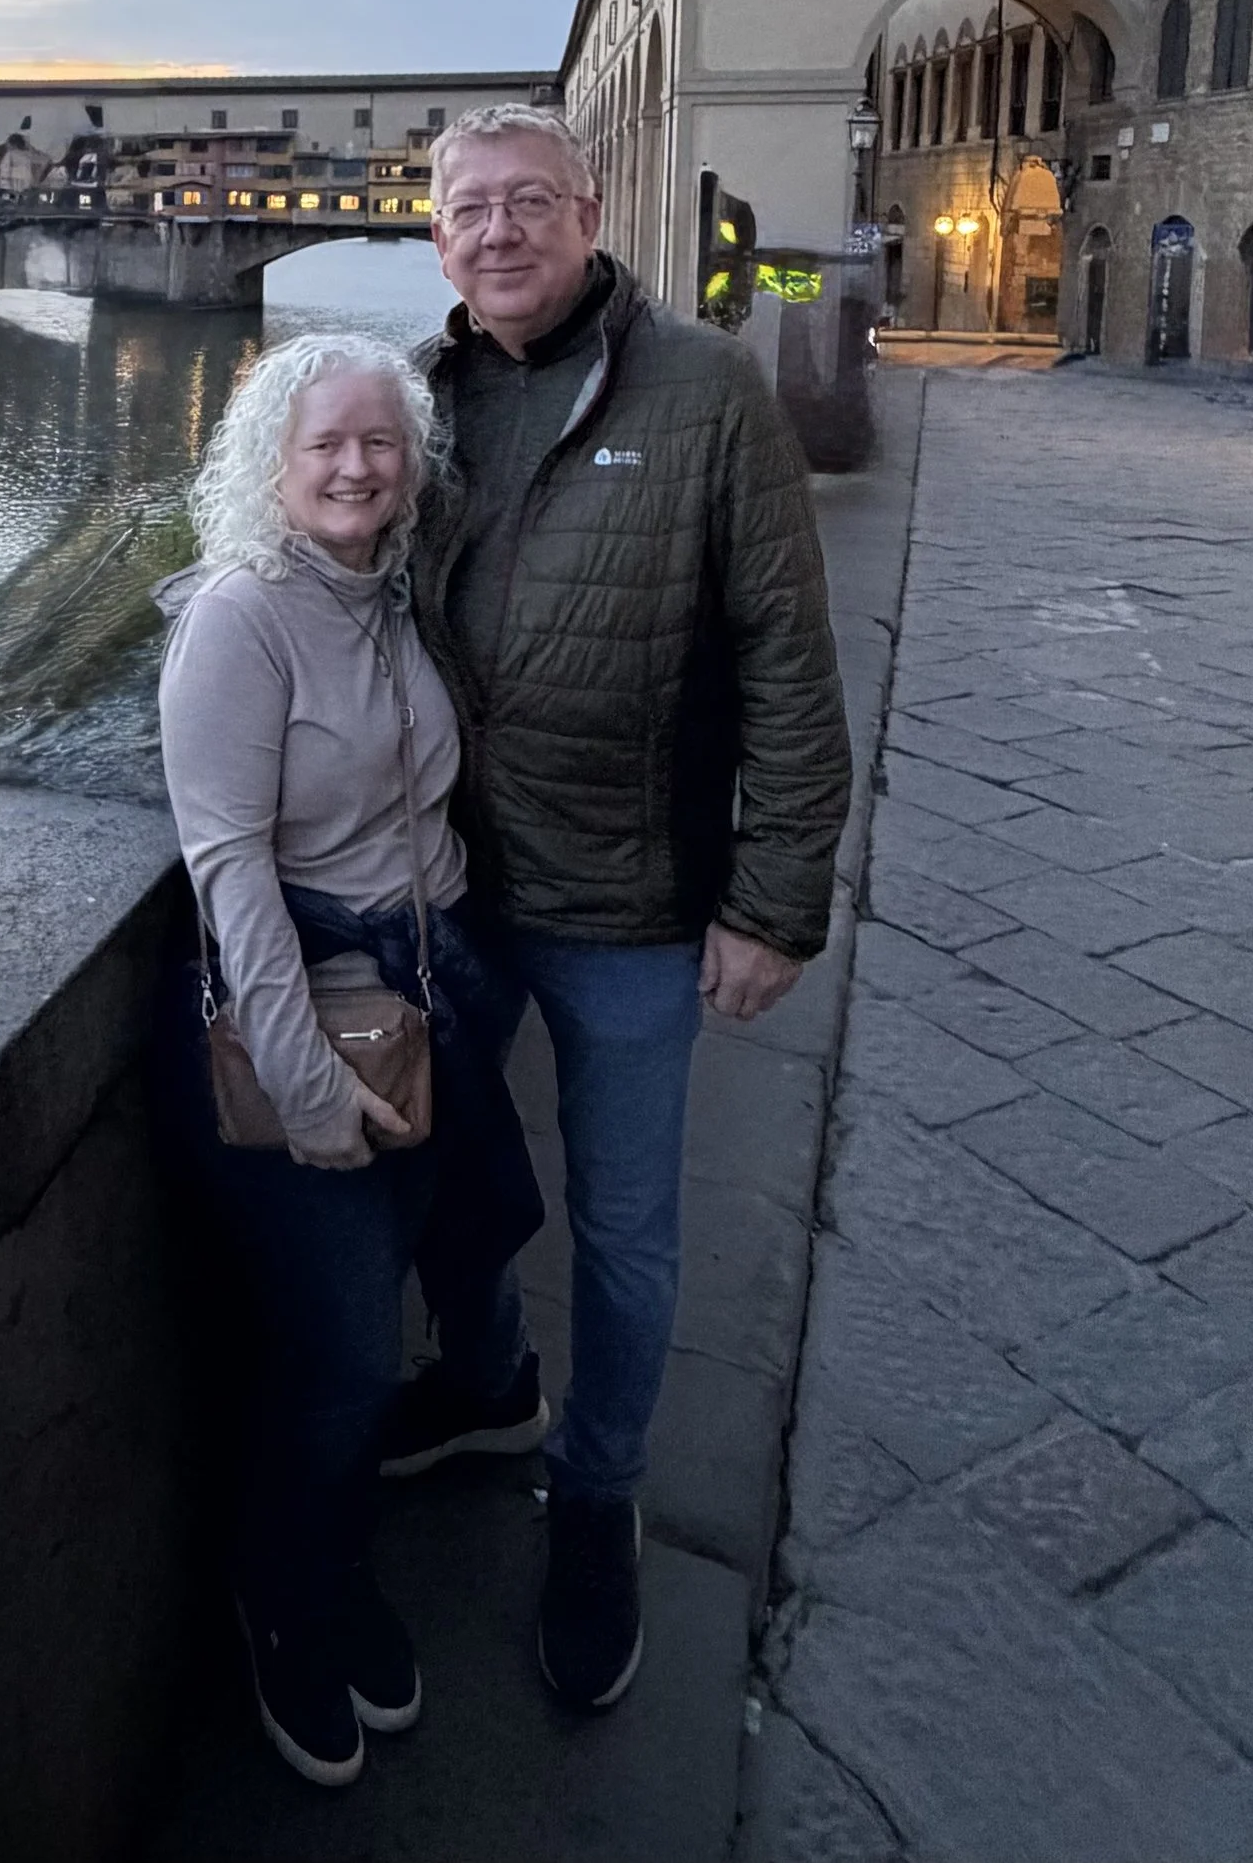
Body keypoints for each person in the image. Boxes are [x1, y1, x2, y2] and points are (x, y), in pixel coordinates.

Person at [382, 103, 853, 1712]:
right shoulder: (418, 397)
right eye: (467, 211)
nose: (497, 233)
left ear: (592, 213)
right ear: (433, 235)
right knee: (441, 1162)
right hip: (449, 885)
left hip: (638, 902)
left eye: (528, 203)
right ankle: (493, 1379)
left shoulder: (706, 391)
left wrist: (775, 900)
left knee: (628, 1232)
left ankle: (598, 1491)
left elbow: (792, 661)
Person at [156, 330, 538, 1789]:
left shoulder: (395, 600)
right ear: (273, 462)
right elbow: (226, 870)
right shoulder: (239, 620)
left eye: (382, 442)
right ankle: (286, 1595)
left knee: (385, 1314)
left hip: (433, 996)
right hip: (304, 1012)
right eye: (326, 445)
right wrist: (307, 1080)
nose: (359, 466)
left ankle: (336, 1563)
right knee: (337, 1357)